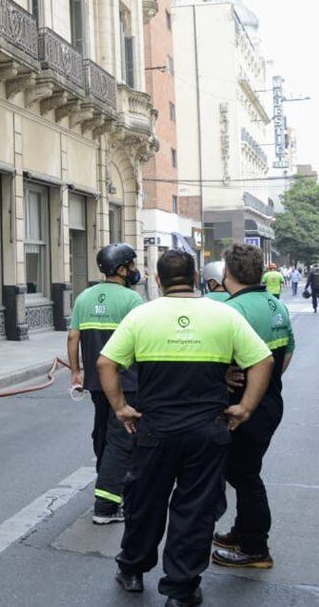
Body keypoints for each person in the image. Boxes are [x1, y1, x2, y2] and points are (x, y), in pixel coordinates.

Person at [99, 249, 273, 607]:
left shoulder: (141, 316)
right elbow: (263, 360)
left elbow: (105, 363)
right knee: (194, 510)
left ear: (159, 280)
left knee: (144, 502)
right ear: (195, 277)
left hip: (154, 430)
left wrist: (121, 408)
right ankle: (180, 589)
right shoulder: (223, 314)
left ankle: (132, 570)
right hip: (206, 433)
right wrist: (245, 407)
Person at [211, 244, 295, 569]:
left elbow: (216, 360)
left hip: (243, 406)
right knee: (245, 470)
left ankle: (255, 548)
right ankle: (243, 531)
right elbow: (285, 355)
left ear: (226, 274)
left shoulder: (232, 311)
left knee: (244, 475)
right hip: (271, 401)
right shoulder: (276, 305)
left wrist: (230, 378)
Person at [67, 243, 145, 525]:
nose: (135, 271)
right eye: (132, 266)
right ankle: (107, 504)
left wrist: (75, 372)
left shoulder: (84, 298)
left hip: (96, 382)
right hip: (126, 382)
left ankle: (106, 482)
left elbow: (73, 338)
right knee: (121, 440)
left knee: (102, 434)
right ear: (121, 269)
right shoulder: (131, 300)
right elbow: (142, 343)